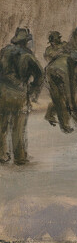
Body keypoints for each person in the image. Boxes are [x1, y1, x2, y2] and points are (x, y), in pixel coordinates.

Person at [0, 27, 45, 165]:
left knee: (2, 124)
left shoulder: (3, 52)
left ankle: (2, 154)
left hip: (2, 94)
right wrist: (32, 90)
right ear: (26, 41)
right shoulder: (28, 55)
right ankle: (19, 156)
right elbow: (40, 75)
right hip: (20, 94)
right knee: (18, 126)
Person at [43, 32, 77, 134]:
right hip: (51, 74)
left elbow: (76, 54)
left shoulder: (65, 45)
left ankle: (52, 115)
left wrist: (70, 52)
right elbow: (49, 57)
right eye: (54, 39)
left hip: (64, 72)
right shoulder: (48, 49)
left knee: (63, 98)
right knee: (58, 99)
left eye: (57, 38)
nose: (56, 41)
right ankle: (65, 126)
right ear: (51, 41)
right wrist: (61, 52)